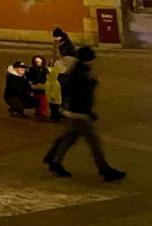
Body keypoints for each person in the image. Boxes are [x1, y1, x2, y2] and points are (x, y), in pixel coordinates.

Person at [43, 47, 125, 181]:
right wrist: (89, 111)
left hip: (75, 112)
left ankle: (54, 161)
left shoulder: (78, 71)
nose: (93, 62)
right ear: (88, 60)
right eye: (92, 60)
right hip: (80, 114)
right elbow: (82, 96)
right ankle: (105, 170)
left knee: (70, 138)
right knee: (94, 143)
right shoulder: (80, 74)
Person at [27, 54, 51, 119]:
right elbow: (29, 78)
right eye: (37, 62)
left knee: (43, 99)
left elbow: (48, 77)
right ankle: (38, 110)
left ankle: (42, 111)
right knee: (37, 99)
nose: (38, 63)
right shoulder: (31, 70)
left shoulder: (45, 70)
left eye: (40, 62)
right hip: (35, 87)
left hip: (43, 87)